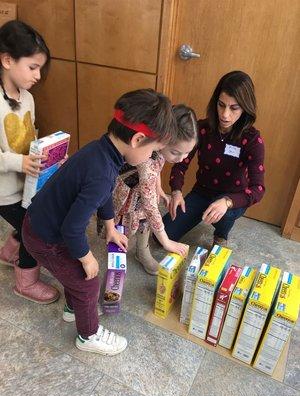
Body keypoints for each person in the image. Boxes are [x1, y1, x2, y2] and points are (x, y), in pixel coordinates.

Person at [22, 88, 178, 356]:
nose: (152, 157)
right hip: (45, 237)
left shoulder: (102, 150)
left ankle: (74, 308)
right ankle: (88, 335)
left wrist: (109, 227)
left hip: (42, 224)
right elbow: (72, 228)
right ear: (138, 139)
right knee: (88, 281)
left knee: (77, 274)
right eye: (153, 151)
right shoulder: (102, 172)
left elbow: (103, 194)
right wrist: (86, 257)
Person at [162, 71, 265, 247]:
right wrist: (176, 191)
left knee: (224, 214)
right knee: (163, 234)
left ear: (245, 108)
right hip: (202, 192)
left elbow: (258, 189)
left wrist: (227, 202)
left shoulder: (253, 140)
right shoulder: (202, 128)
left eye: (234, 108)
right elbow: (180, 164)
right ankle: (208, 213)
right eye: (221, 105)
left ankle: (221, 233)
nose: (225, 115)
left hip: (232, 196)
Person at [0, 20, 59, 304]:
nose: (37, 75)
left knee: (29, 217)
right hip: (2, 190)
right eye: (32, 67)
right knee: (33, 228)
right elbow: (13, 155)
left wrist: (46, 155)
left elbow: (29, 138)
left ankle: (9, 253)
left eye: (40, 68)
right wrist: (19, 162)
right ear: (7, 60)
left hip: (25, 184)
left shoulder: (28, 99)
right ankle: (26, 282)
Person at [111, 104, 196, 274]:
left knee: (144, 223)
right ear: (162, 139)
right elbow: (150, 206)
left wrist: (159, 189)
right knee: (122, 228)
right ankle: (115, 258)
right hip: (127, 194)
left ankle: (142, 251)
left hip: (144, 190)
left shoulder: (160, 152)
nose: (180, 159)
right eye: (176, 152)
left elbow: (157, 169)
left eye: (187, 153)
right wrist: (166, 242)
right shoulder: (147, 162)